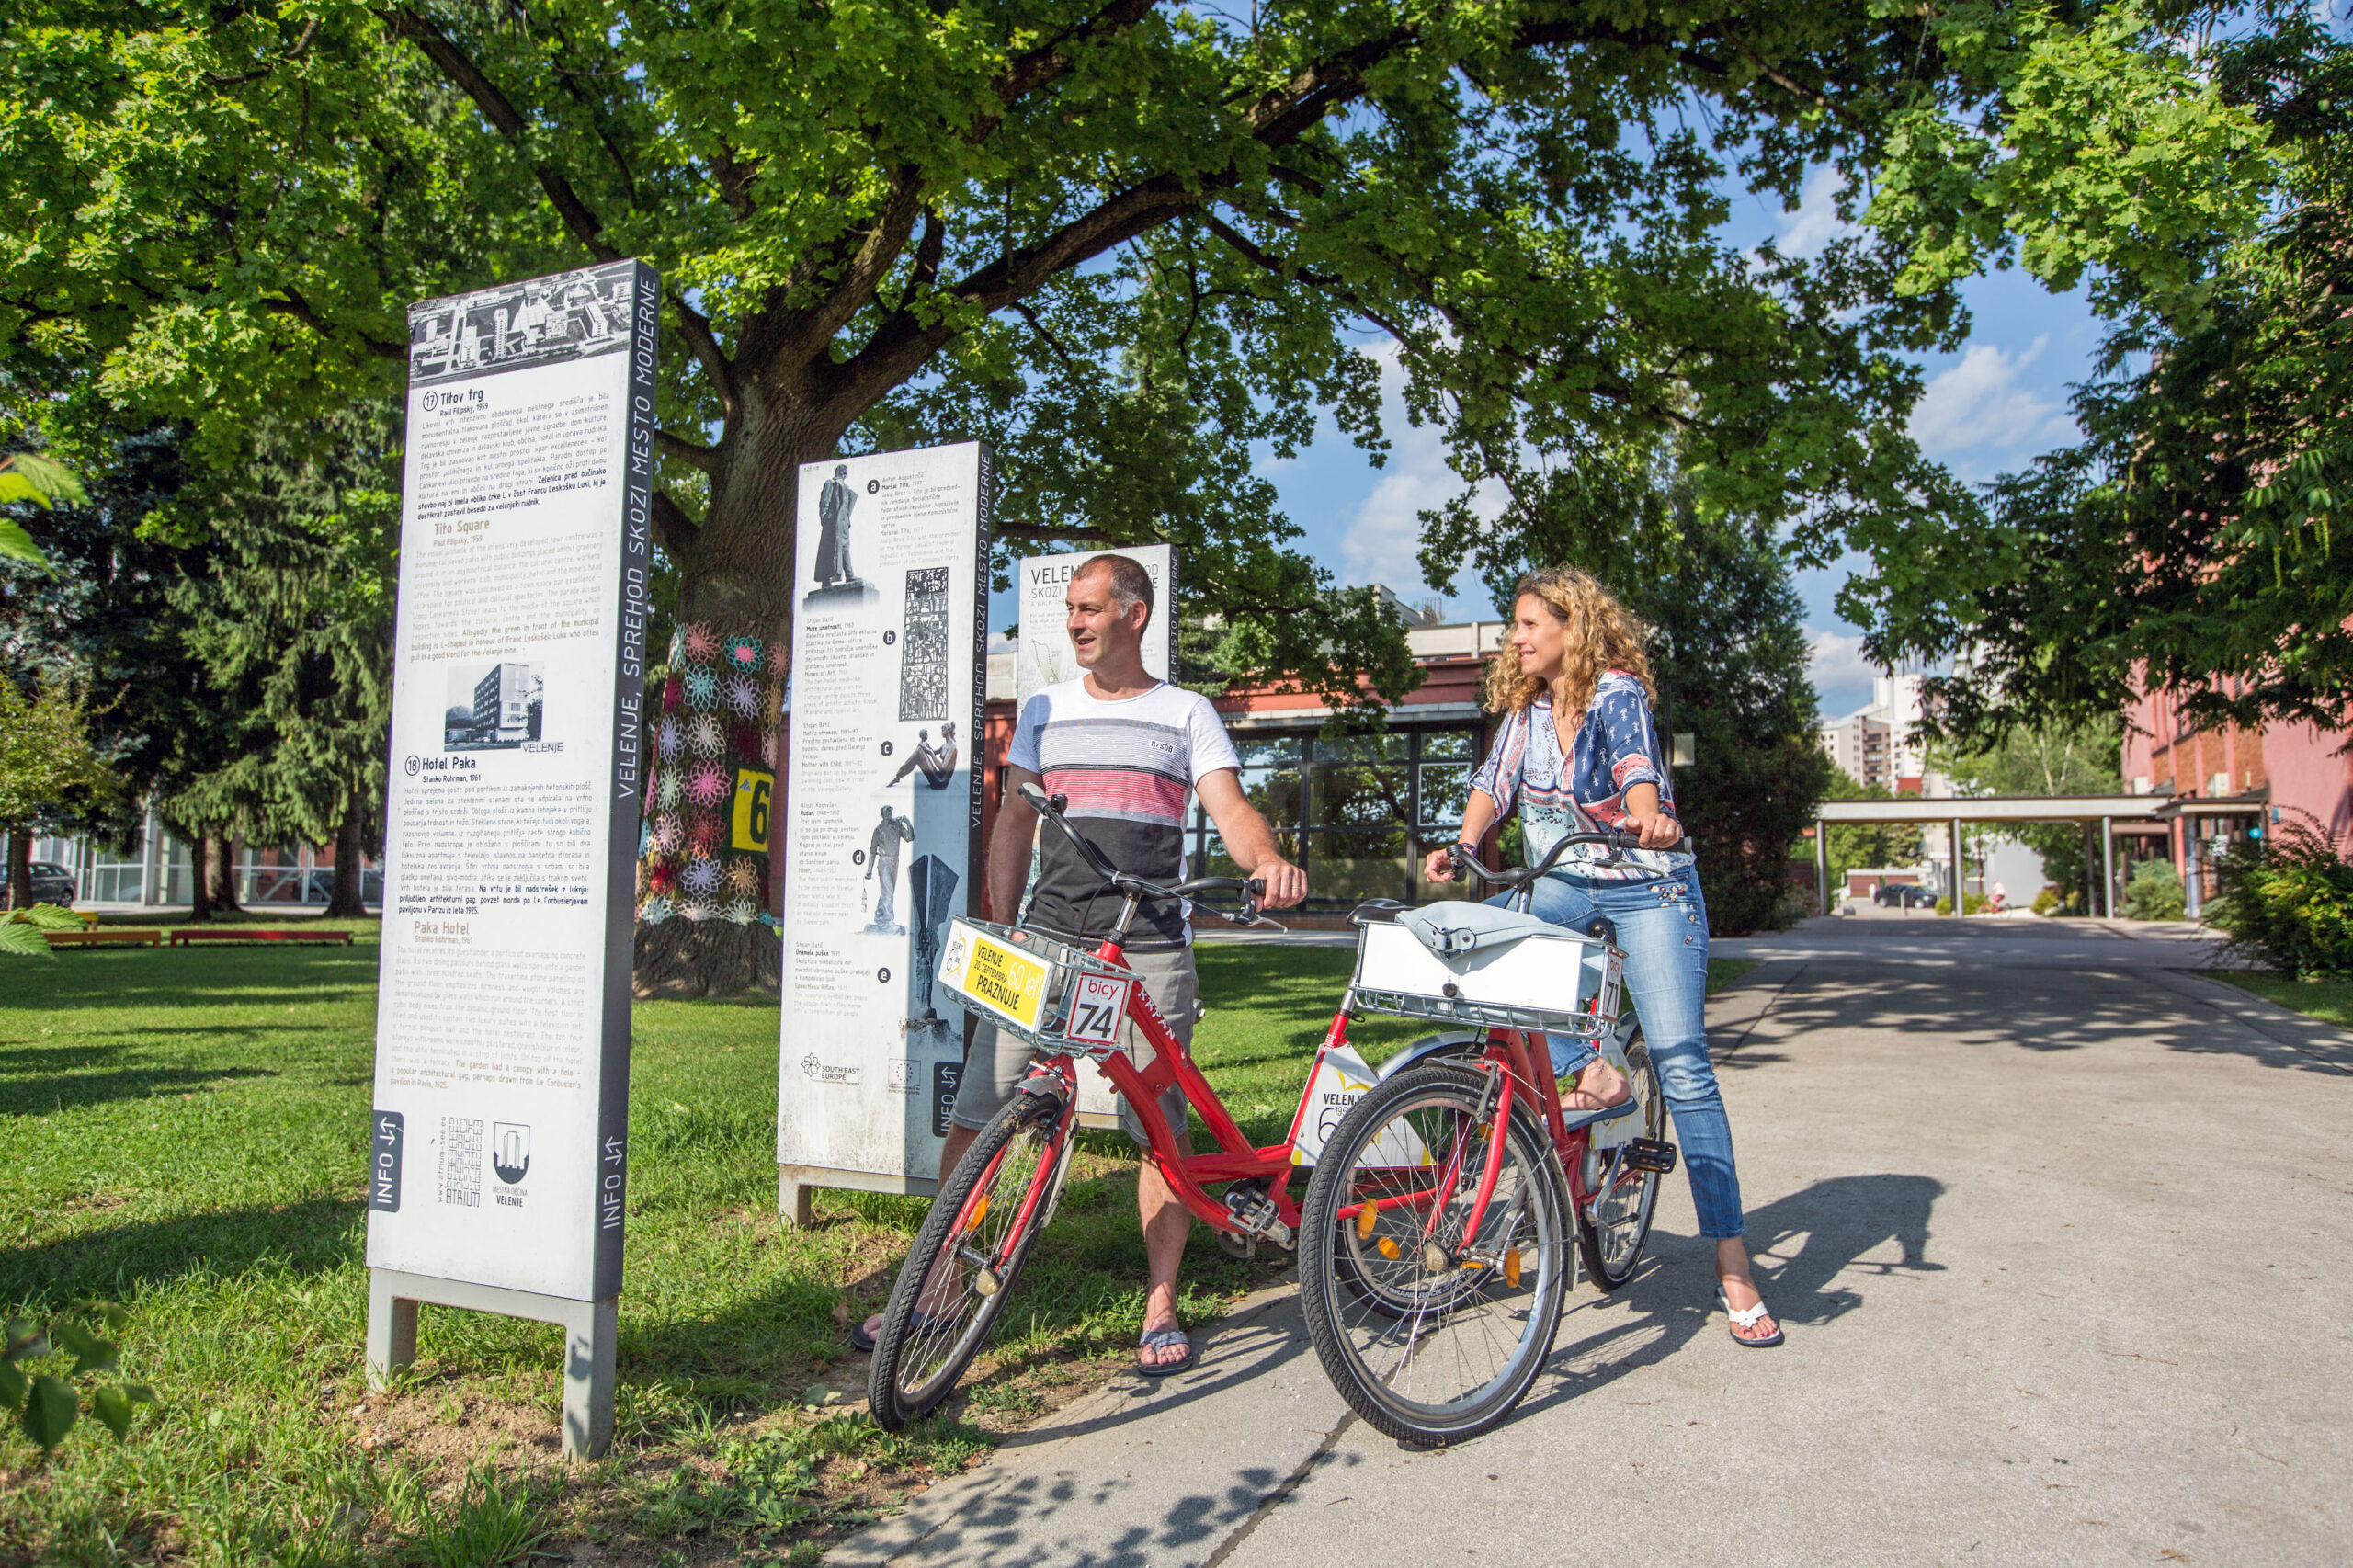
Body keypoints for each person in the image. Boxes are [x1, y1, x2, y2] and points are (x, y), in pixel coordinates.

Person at [854, 552, 1307, 1374]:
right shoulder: (1043, 709)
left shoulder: (1186, 713)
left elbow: (1231, 809)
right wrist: (1001, 922)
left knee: (1160, 1130)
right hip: (1051, 934)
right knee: (980, 1110)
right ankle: (941, 1285)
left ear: (1135, 614)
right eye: (1070, 609)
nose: (1075, 622)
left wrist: (1266, 859)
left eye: (1091, 608)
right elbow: (1013, 824)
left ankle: (1161, 1297)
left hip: (1150, 940)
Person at [1422, 567, 1783, 1348]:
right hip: (1564, 881)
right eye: (1513, 626)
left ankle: (1731, 1257)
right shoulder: (1525, 712)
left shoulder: (1615, 692)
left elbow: (1635, 766)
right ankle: (1596, 1067)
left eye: (1527, 624)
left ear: (1570, 628)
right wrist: (1463, 841)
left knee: (1685, 1065)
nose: (1514, 639)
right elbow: (1494, 783)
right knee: (1488, 950)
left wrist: (1649, 818)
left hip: (1647, 886)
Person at [864, 805, 912, 932]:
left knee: (888, 892)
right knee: (888, 892)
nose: (890, 813)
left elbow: (910, 837)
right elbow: (873, 851)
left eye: (891, 811)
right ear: (883, 814)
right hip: (884, 862)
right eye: (888, 811)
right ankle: (889, 920)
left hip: (895, 861)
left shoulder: (897, 826)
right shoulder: (878, 830)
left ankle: (879, 916)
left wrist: (907, 822)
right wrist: (869, 870)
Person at [813, 464, 857, 587]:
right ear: (838, 472)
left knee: (845, 546)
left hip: (843, 524)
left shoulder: (846, 488)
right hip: (831, 522)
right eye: (843, 473)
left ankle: (849, 575)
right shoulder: (830, 483)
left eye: (845, 474)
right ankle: (826, 580)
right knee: (828, 550)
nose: (844, 475)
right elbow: (824, 502)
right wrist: (825, 519)